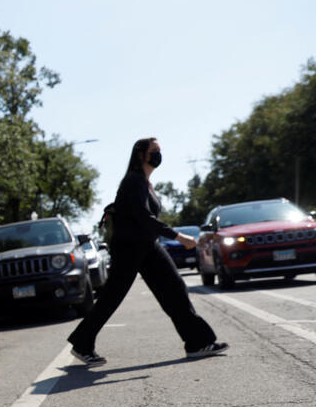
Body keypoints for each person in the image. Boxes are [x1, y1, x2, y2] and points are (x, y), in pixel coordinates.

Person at [67, 137, 228, 365]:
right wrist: (178, 236)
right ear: (141, 154)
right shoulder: (133, 182)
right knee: (112, 296)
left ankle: (197, 342)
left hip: (147, 246)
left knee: (174, 289)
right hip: (129, 248)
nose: (157, 155)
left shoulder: (144, 182)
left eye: (159, 151)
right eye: (154, 151)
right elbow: (144, 217)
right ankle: (82, 343)